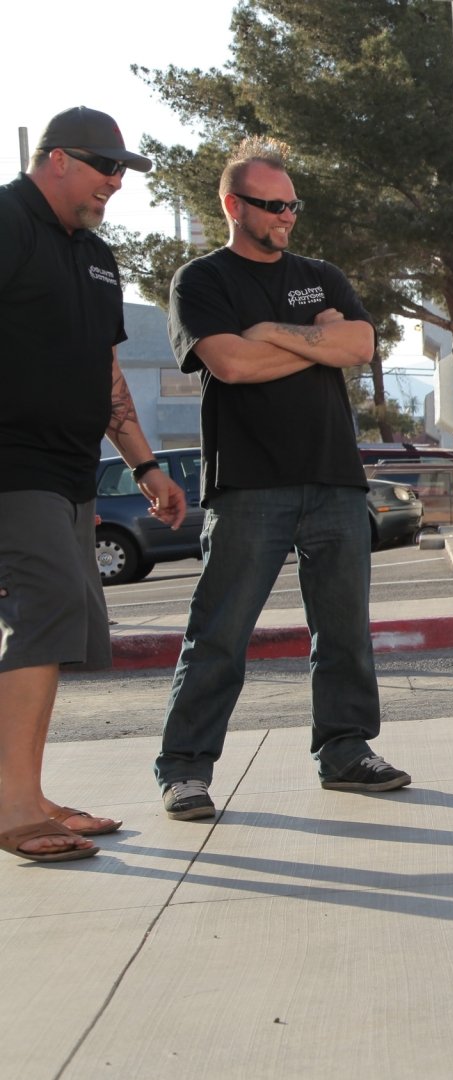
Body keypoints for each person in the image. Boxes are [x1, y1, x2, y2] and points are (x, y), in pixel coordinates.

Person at [154, 137, 410, 820]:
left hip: (334, 479)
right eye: (273, 205)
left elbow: (359, 344)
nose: (287, 216)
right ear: (234, 206)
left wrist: (268, 330)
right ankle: (184, 769)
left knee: (344, 632)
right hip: (248, 485)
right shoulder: (201, 281)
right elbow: (230, 366)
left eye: (293, 204)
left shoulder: (321, 275)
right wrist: (313, 343)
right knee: (219, 633)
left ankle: (346, 751)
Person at [0, 108, 186, 862]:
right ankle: (12, 807)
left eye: (122, 170)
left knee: (69, 615)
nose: (116, 182)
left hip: (73, 467)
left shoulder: (97, 256)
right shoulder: (7, 222)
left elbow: (104, 370)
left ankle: (30, 791)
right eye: (105, 167)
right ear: (55, 160)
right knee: (44, 603)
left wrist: (145, 463)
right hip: (11, 463)